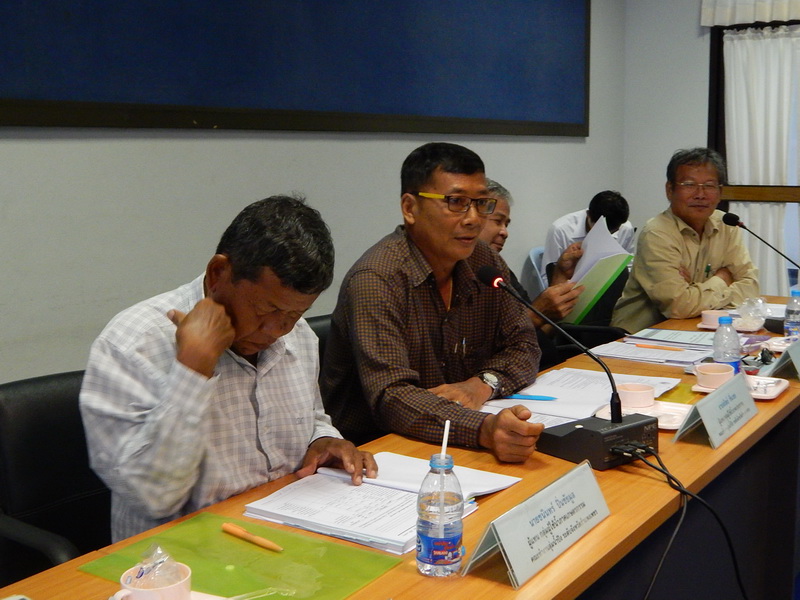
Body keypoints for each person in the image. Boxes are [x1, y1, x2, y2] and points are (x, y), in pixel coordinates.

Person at [80, 195, 377, 541]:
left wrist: (323, 439)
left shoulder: (299, 336)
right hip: (178, 555)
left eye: (295, 314)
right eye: (265, 310)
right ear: (218, 273)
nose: (277, 330)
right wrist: (194, 369)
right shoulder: (132, 345)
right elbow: (153, 497)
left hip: (283, 534)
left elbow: (311, 417)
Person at [320, 142, 544, 463]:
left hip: (453, 441)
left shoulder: (482, 260)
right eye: (456, 202)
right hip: (377, 453)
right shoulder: (376, 279)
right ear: (410, 208)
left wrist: (482, 384)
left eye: (482, 203)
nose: (473, 219)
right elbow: (392, 396)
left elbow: (524, 344)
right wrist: (482, 429)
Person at [611, 148, 759, 333]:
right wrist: (722, 279)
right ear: (669, 190)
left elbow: (750, 288)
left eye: (709, 185)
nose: (700, 194)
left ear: (720, 191)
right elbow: (678, 306)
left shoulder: (726, 225)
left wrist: (693, 292)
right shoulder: (657, 233)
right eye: (689, 184)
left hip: (698, 330)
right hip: (641, 336)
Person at [479, 178, 583, 368]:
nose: (504, 232)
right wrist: (538, 313)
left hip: (545, 368)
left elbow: (541, 330)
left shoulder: (500, 271)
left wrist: (561, 275)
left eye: (506, 224)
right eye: (498, 221)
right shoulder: (469, 276)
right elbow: (489, 348)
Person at [542, 190, 635, 270]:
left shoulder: (625, 228)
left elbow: (628, 267)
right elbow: (547, 276)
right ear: (588, 214)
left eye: (612, 232)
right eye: (601, 230)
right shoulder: (560, 230)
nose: (605, 236)